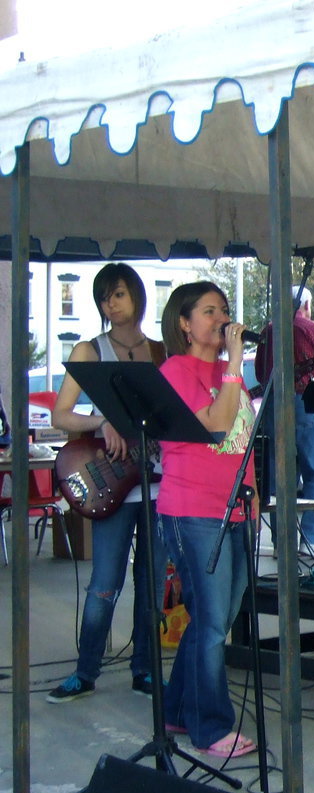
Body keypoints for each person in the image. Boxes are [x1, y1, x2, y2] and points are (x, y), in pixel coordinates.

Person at [47, 263, 167, 702]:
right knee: (104, 581)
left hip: (158, 482)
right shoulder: (89, 350)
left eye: (117, 294)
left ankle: (145, 669)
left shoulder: (161, 350)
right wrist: (103, 420)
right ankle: (86, 670)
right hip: (113, 480)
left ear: (136, 295)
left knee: (152, 582)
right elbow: (62, 415)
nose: (110, 304)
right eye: (103, 297)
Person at [157, 281, 258, 759]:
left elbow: (241, 437)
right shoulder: (176, 370)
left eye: (225, 309)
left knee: (219, 615)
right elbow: (216, 424)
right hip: (193, 509)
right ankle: (210, 725)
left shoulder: (226, 371)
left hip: (233, 506)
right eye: (210, 310)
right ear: (184, 322)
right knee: (214, 621)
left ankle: (177, 709)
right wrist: (235, 367)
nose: (221, 318)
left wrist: (253, 491)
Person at [255, 285, 314, 556]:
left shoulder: (268, 331)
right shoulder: (313, 329)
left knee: (281, 477)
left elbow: (259, 371)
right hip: (304, 400)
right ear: (306, 304)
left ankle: (282, 544)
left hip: (272, 404)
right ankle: (310, 541)